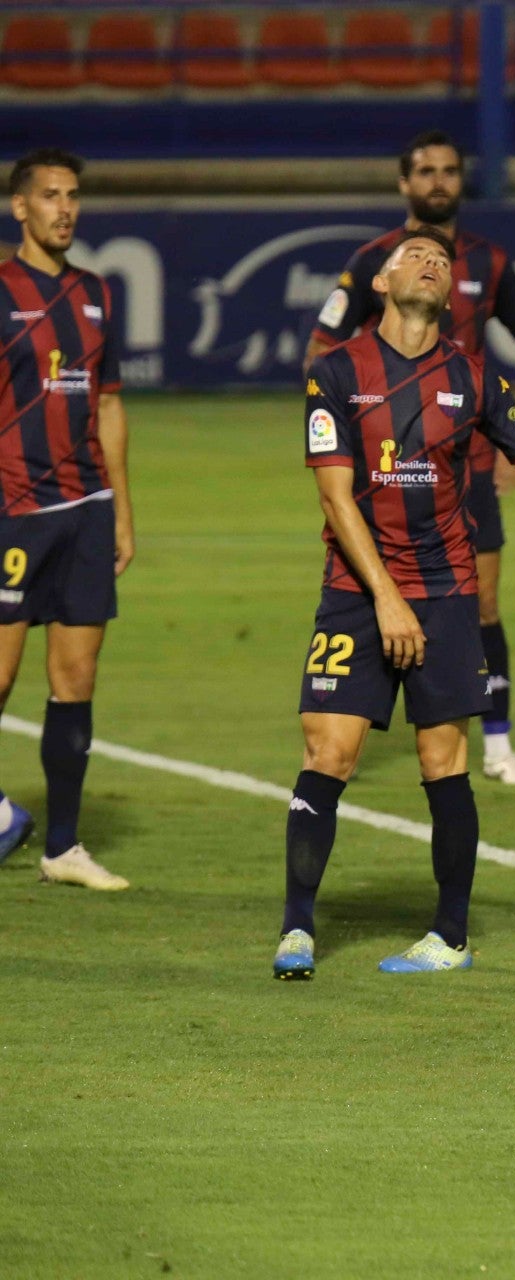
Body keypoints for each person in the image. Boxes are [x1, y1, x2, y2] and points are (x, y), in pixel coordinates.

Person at [275, 227, 515, 980]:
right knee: (328, 752)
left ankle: (449, 936)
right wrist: (384, 598)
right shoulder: (336, 374)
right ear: (380, 282)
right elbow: (336, 498)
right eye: (414, 256)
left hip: (445, 594)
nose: (432, 264)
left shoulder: (473, 379)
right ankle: (297, 929)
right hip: (357, 592)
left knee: (444, 759)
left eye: (442, 261)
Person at [307, 130, 515, 782]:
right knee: (366, 591)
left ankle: (497, 743)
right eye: (426, 172)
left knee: (484, 605)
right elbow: (320, 347)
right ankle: (349, 720)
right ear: (404, 183)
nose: (439, 181)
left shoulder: (491, 263)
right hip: (390, 473)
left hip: (466, 468)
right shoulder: (372, 262)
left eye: (449, 170)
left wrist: (513, 441)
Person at [0, 148, 134, 890]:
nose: (65, 209)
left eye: (73, 196)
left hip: (84, 509)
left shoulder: (97, 294)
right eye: (50, 196)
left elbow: (110, 403)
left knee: (75, 679)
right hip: (11, 510)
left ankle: (62, 848)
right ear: (21, 207)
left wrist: (121, 509)